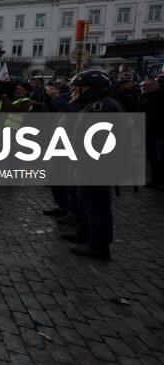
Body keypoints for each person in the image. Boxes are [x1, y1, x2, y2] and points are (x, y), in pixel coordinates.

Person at [60, 70, 123, 261]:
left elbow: (97, 144)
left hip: (97, 168)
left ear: (89, 88)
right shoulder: (96, 105)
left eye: (77, 87)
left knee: (97, 207)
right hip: (95, 165)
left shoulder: (99, 107)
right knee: (85, 203)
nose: (73, 91)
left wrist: (85, 168)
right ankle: (84, 234)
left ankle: (98, 246)